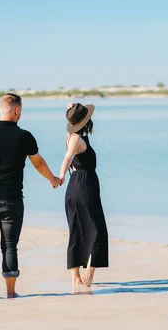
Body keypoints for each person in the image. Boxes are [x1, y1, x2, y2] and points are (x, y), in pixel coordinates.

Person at [0, 93, 61, 300]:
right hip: (11, 200)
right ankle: (10, 292)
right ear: (17, 110)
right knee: (9, 246)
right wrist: (52, 179)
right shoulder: (24, 136)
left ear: (1, 109)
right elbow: (39, 163)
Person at [58, 102, 109, 291]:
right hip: (85, 186)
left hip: (73, 188)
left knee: (76, 230)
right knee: (97, 230)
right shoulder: (77, 140)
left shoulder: (70, 136)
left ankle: (75, 278)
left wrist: (69, 111)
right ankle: (87, 276)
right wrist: (61, 175)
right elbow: (68, 156)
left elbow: (69, 152)